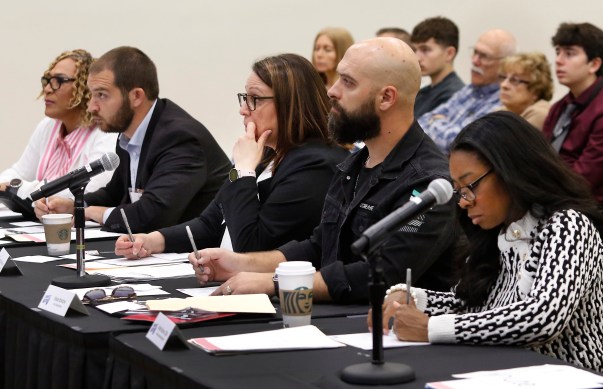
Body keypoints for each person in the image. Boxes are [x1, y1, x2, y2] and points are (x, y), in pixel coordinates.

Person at [189, 38, 459, 304]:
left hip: (385, 335)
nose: (332, 91)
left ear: (386, 97)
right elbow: (319, 247)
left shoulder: (428, 183)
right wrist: (243, 264)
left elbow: (381, 275)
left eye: (348, 82)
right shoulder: (355, 165)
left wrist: (273, 282)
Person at [378, 111, 603, 377]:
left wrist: (430, 328)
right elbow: (470, 304)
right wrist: (411, 299)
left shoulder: (568, 226)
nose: (463, 201)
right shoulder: (496, 231)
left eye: (470, 186)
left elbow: (542, 318)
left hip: (582, 378)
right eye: (458, 190)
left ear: (511, 171)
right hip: (510, 373)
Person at [114, 54, 348, 258]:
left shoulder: (315, 165)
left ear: (291, 104)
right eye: (244, 98)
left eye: (254, 99)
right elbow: (211, 222)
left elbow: (250, 247)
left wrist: (244, 169)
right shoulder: (266, 154)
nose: (243, 109)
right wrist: (153, 240)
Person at [34, 46, 231, 233]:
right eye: (92, 96)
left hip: (199, 257)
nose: (91, 107)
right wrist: (76, 204)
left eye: (101, 95)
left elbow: (153, 215)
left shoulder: (180, 138)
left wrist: (91, 213)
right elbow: (116, 193)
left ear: (136, 96)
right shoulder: (130, 133)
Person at [0, 49, 116, 199]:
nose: (47, 89)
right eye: (47, 80)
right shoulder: (48, 126)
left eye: (59, 81)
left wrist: (21, 188)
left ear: (85, 88)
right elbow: (20, 172)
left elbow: (89, 188)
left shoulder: (105, 132)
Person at [542, 22, 603, 231]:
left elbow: (583, 179)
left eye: (569, 54)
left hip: (597, 221)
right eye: (558, 52)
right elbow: (542, 157)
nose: (558, 61)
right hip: (558, 205)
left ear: (594, 64)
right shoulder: (561, 106)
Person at [418, 29, 516, 153]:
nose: (475, 61)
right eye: (475, 52)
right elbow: (420, 124)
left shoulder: (504, 102)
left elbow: (460, 145)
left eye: (484, 56)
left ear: (504, 63)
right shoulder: (469, 90)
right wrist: (443, 125)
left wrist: (436, 120)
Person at [410, 16, 464, 118]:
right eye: (415, 50)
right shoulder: (423, 92)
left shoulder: (453, 96)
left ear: (449, 54)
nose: (417, 58)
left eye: (425, 49)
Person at [498, 52, 553, 130]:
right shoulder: (502, 111)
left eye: (514, 80)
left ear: (536, 89)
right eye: (503, 77)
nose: (504, 85)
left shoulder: (539, 114)